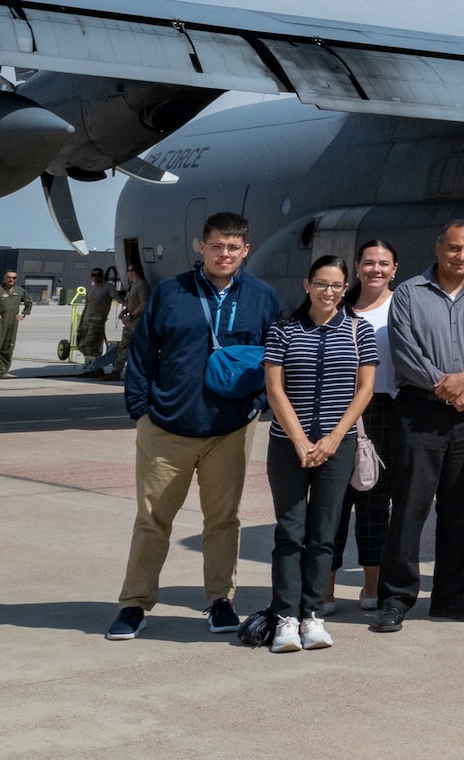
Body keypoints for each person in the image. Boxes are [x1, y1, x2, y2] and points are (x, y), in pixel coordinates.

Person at [106, 212, 282, 641]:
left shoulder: (263, 296)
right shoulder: (171, 293)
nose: (225, 254)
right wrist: (141, 409)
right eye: (217, 246)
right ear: (201, 247)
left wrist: (257, 403)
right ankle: (134, 604)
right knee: (152, 519)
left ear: (246, 250)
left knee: (223, 520)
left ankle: (221, 600)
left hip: (230, 430)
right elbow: (143, 352)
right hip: (167, 427)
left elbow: (276, 353)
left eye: (233, 247)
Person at [371, 221, 464, 632]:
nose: (460, 257)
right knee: (410, 507)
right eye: (453, 249)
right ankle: (396, 598)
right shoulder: (410, 294)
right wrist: (446, 387)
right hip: (420, 413)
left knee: (461, 510)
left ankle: (449, 597)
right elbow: (405, 349)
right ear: (438, 248)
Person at [262, 255, 377, 652]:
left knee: (324, 536)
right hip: (287, 445)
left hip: (337, 446)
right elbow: (275, 389)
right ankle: (286, 619)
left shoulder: (359, 331)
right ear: (306, 285)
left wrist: (331, 440)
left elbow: (364, 390)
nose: (329, 292)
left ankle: (313, 615)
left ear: (346, 290)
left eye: (337, 286)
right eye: (322, 284)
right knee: (290, 533)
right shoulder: (283, 330)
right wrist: (299, 441)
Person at [329, 240, 401, 613]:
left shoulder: (402, 307)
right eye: (369, 262)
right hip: (338, 410)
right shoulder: (339, 308)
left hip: (385, 409)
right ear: (356, 267)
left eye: (383, 263)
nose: (376, 269)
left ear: (395, 269)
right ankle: (325, 587)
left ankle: (370, 586)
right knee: (335, 501)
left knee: (375, 501)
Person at [112, 263, 151, 381]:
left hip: (137, 322)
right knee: (123, 346)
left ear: (134, 272)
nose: (127, 273)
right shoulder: (132, 286)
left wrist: (132, 315)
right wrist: (124, 312)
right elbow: (132, 303)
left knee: (136, 348)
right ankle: (116, 371)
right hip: (130, 322)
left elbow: (144, 303)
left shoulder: (141, 285)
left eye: (128, 270)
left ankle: (136, 373)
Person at [79, 267, 118, 376]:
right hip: (87, 319)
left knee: (91, 344)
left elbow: (115, 296)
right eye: (93, 275)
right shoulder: (91, 289)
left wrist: (126, 304)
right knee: (82, 345)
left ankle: (97, 368)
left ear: (102, 276)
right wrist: (81, 323)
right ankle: (90, 367)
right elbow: (86, 306)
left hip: (97, 319)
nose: (95, 277)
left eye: (98, 275)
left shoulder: (108, 287)